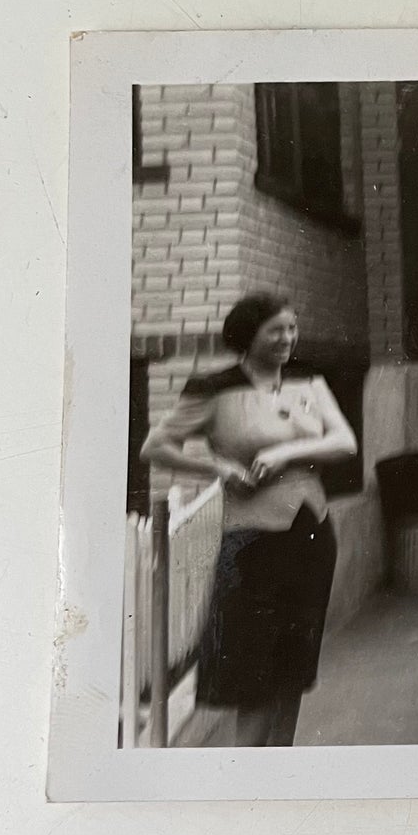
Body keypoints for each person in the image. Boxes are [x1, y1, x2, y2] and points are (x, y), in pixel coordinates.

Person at [140, 293, 358, 748]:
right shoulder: (213, 388)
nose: (287, 338)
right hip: (253, 545)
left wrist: (285, 452)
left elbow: (344, 442)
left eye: (292, 328)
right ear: (247, 334)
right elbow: (155, 447)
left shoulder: (309, 382)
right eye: (275, 330)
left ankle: (279, 770)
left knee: (293, 670)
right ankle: (247, 780)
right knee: (254, 676)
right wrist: (217, 469)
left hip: (311, 534)